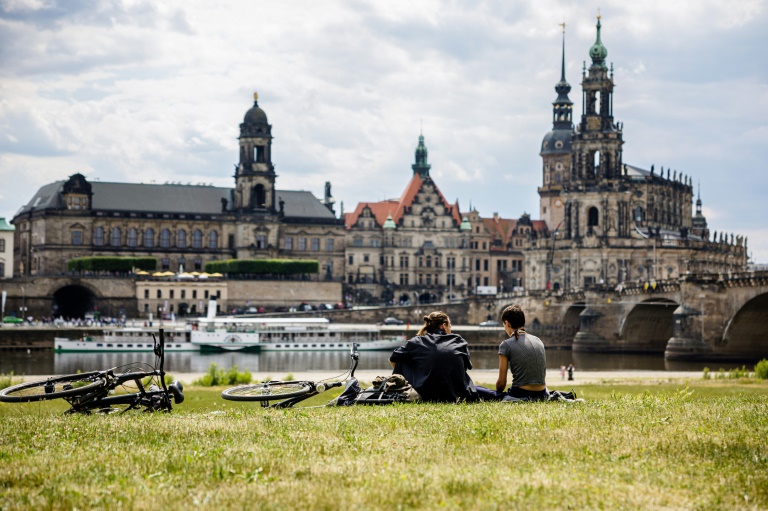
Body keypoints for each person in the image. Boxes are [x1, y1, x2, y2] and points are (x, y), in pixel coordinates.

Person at [389, 311, 479, 403]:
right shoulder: (458, 340)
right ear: (444, 325)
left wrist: (416, 369)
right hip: (457, 393)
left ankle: (398, 389)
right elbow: (467, 366)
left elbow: (393, 357)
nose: (450, 329)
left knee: (402, 358)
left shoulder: (417, 342)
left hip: (425, 394)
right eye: (450, 326)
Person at [494, 304, 549, 401]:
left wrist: (498, 391)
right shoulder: (538, 340)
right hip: (543, 393)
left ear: (507, 323)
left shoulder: (506, 345)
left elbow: (501, 384)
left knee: (478, 389)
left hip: (520, 393)